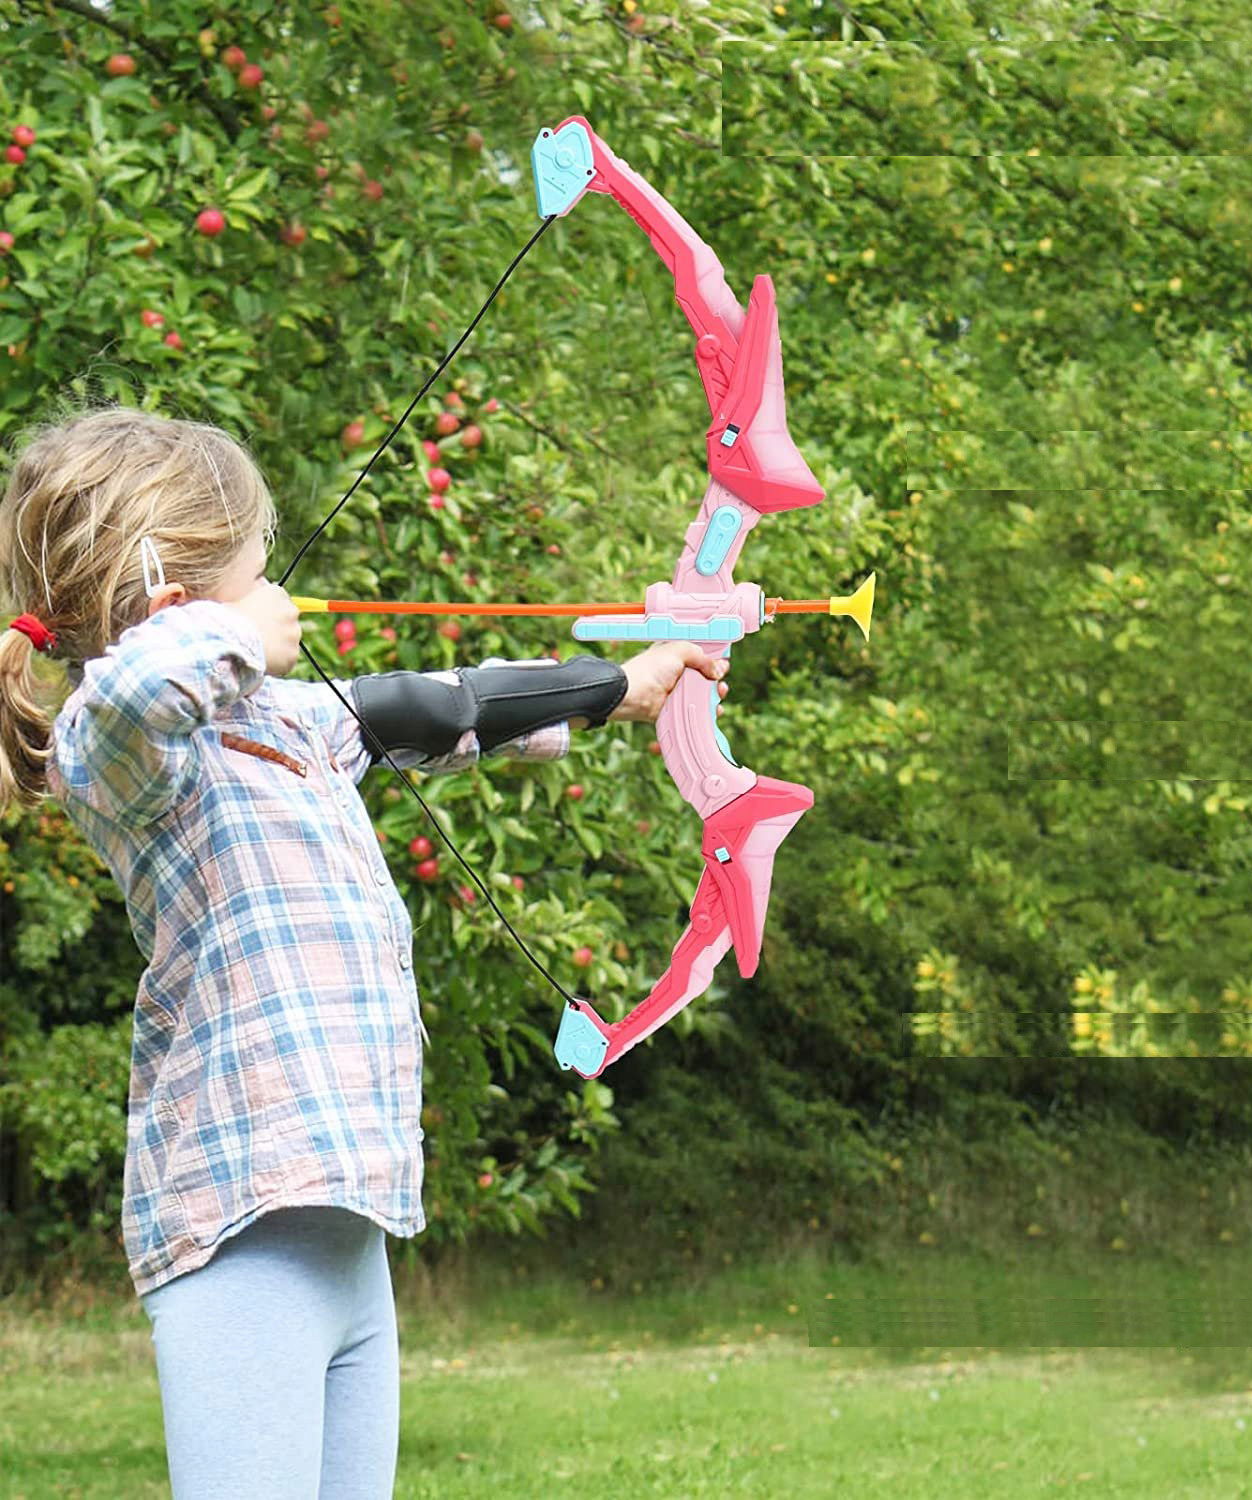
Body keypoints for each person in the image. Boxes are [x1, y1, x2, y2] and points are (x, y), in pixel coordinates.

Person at [0, 403, 728, 1498]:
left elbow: (438, 707)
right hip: (241, 1238)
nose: (278, 598)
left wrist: (619, 687)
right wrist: (235, 629)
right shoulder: (122, 761)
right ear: (171, 594)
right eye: (257, 573)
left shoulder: (288, 720)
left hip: (348, 1240)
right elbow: (134, 691)